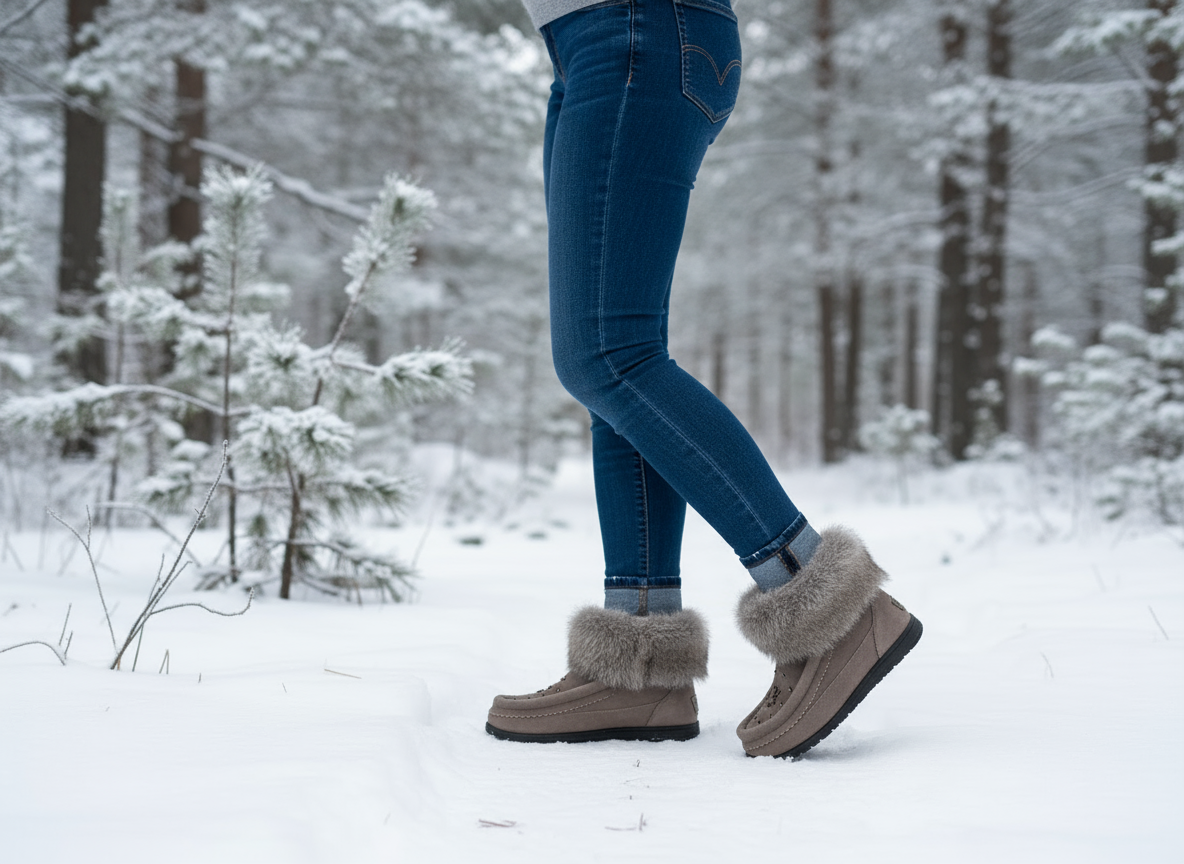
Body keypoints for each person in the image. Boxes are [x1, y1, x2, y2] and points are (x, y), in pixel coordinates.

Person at [485, 0, 922, 759]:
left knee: (608, 356)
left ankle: (829, 608)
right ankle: (641, 666)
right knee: (614, 369)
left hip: (633, 29)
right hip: (596, 41)